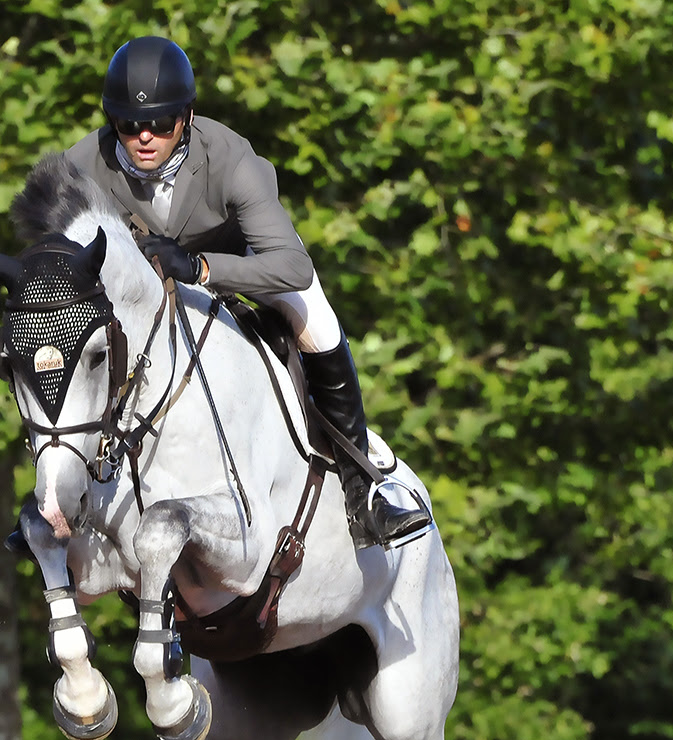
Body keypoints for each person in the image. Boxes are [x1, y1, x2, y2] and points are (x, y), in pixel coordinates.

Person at [64, 35, 433, 549]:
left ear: (186, 117)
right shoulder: (80, 166)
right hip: (138, 291)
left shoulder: (233, 159)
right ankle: (58, 495)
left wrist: (201, 267)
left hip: (238, 262)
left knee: (317, 319)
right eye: (129, 125)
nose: (144, 137)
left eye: (161, 123)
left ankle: (362, 488)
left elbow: (293, 266)